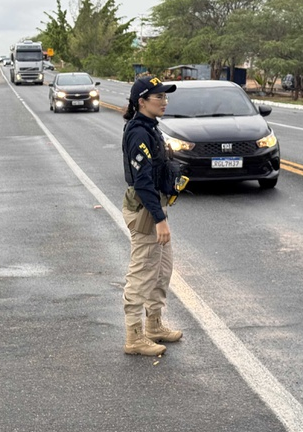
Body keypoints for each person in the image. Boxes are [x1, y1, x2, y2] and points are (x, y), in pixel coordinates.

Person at [120, 76, 181, 356]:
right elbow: (143, 182)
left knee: (162, 270)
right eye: (159, 98)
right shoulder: (138, 133)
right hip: (146, 211)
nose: (164, 102)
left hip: (155, 205)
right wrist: (160, 219)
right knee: (143, 272)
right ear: (142, 102)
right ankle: (134, 337)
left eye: (166, 97)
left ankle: (154, 325)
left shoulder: (150, 127)